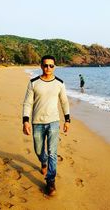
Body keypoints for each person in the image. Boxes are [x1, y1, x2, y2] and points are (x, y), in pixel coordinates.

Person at [22, 55, 70, 196]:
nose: (48, 68)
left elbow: (64, 102)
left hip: (54, 122)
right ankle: (43, 162)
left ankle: (50, 181)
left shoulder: (60, 83)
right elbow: (27, 103)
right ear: (41, 66)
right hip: (37, 122)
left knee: (52, 153)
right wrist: (25, 120)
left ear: (54, 66)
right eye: (45, 65)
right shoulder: (33, 83)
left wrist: (67, 120)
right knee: (38, 150)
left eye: (51, 65)